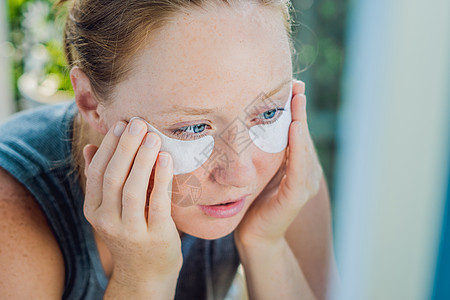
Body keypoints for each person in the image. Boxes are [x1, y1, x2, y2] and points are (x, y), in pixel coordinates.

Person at [0, 0, 338, 299]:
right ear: (91, 102)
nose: (241, 174)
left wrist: (267, 244)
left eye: (267, 113)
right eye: (192, 128)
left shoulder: (284, 176)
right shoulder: (13, 218)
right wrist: (142, 279)